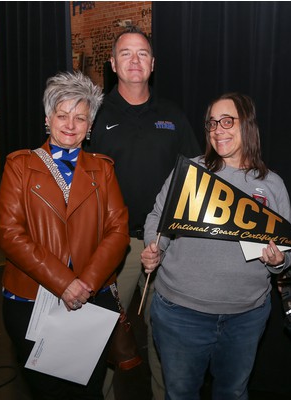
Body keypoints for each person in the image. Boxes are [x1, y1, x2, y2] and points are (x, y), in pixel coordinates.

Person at [141, 92, 291, 400]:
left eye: (227, 121)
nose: (218, 130)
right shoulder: (191, 173)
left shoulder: (272, 184)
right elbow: (159, 218)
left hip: (245, 318)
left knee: (233, 393)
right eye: (212, 123)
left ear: (247, 125)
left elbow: (287, 252)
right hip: (180, 314)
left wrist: (278, 261)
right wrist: (152, 248)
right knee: (180, 393)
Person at [0, 71, 130, 399]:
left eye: (80, 117)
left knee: (89, 387)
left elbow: (118, 230)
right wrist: (63, 283)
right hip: (30, 299)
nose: (71, 124)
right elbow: (9, 233)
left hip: (90, 299)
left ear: (90, 126)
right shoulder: (20, 166)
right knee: (47, 390)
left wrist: (85, 284)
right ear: (47, 119)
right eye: (62, 114)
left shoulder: (104, 168)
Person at [84, 25, 200, 399]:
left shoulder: (173, 115)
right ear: (113, 64)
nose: (135, 61)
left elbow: (195, 176)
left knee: (167, 337)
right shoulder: (95, 115)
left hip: (166, 246)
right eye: (126, 54)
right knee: (103, 334)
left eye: (143, 54)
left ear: (153, 64)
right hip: (113, 246)